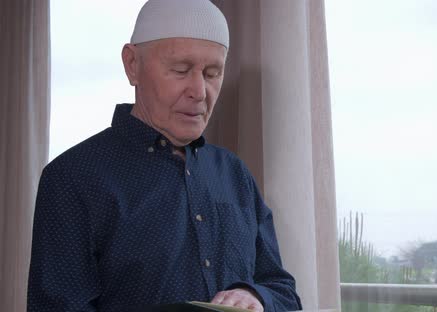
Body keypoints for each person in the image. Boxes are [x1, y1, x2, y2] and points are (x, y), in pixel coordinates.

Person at [27, 1, 302, 311]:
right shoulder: (72, 179)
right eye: (181, 70)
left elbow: (283, 293)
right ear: (132, 65)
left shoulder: (236, 175)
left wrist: (256, 297)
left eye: (212, 73)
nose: (199, 91)